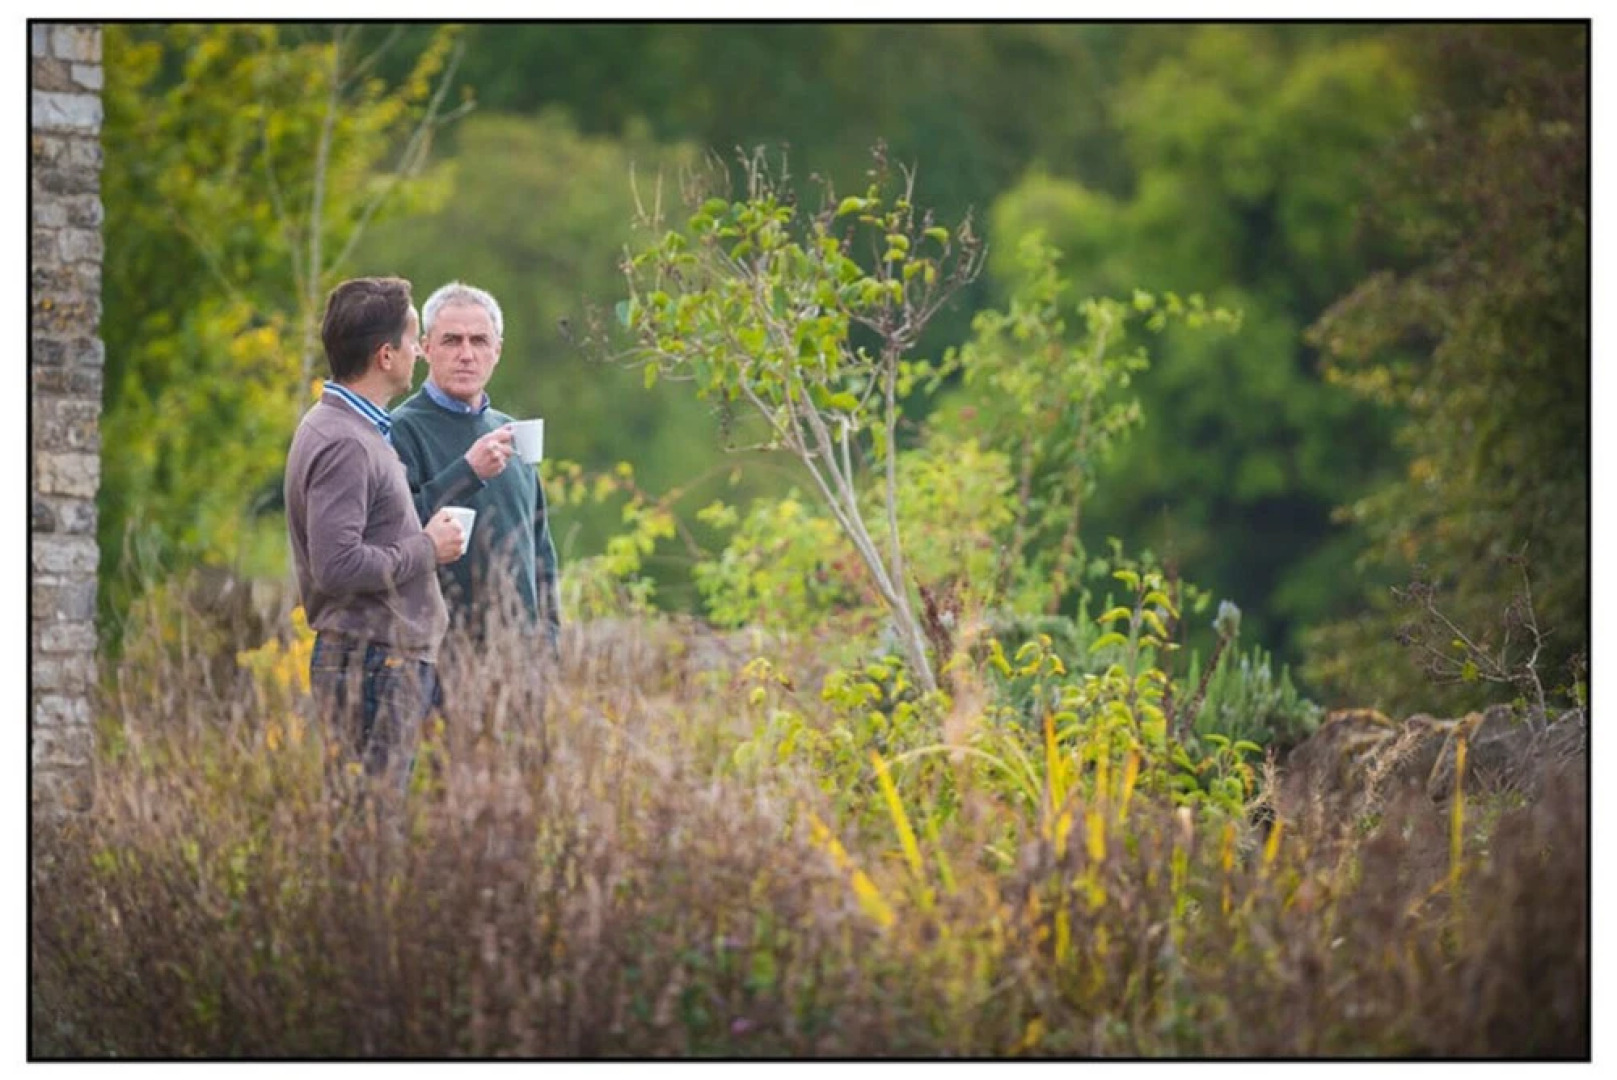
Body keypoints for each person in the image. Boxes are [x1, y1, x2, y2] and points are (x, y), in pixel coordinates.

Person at [284, 276, 466, 794]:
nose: (420, 352)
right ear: (386, 355)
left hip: (379, 661)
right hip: (372, 663)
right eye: (414, 342)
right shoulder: (345, 442)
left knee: (369, 828)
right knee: (370, 832)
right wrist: (428, 547)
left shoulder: (350, 428)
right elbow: (337, 566)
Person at [390, 281, 561, 654]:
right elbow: (392, 537)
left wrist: (548, 642)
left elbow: (541, 552)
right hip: (441, 660)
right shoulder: (400, 430)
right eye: (452, 340)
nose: (466, 354)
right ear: (425, 347)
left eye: (479, 341)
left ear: (497, 351)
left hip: (521, 660)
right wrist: (468, 472)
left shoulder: (510, 433)